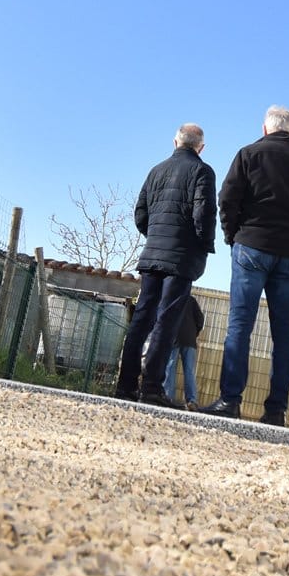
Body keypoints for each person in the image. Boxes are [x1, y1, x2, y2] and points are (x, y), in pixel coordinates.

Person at [201, 105, 289, 427]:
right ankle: (276, 411)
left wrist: (234, 237)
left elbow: (228, 199)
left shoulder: (248, 154)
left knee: (240, 326)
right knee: (284, 333)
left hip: (252, 247)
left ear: (265, 128)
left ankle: (230, 401)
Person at [113, 123, 216, 406]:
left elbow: (140, 213)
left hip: (153, 254)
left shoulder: (156, 171)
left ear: (175, 142)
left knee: (142, 319)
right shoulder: (202, 172)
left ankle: (125, 386)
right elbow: (204, 214)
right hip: (180, 259)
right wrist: (204, 244)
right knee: (166, 322)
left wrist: (156, 235)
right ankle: (151, 387)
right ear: (201, 147)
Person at [164, 296, 204, 410]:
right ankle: (192, 400)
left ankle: (168, 397)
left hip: (174, 337)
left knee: (170, 367)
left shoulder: (172, 298)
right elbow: (200, 319)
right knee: (189, 370)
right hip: (189, 339)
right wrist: (194, 332)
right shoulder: (191, 300)